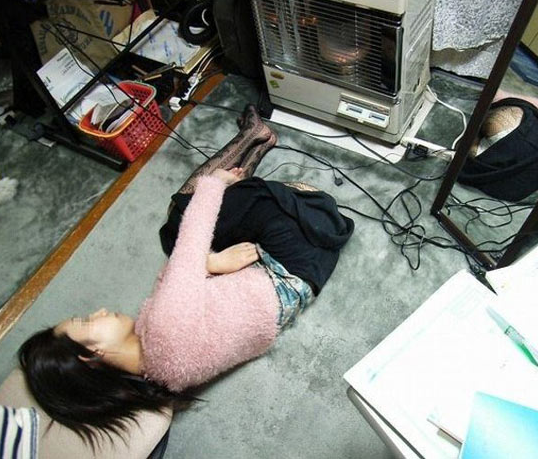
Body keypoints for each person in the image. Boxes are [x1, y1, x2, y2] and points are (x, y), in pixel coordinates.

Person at [18, 105, 354, 445]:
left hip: (293, 281)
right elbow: (191, 243)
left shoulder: (159, 374)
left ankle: (256, 142)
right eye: (88, 321)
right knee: (186, 214)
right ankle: (252, 146)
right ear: (92, 357)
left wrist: (208, 264)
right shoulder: (163, 333)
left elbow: (175, 275)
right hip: (296, 259)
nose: (100, 311)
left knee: (185, 230)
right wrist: (213, 185)